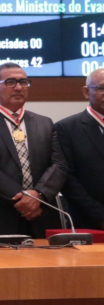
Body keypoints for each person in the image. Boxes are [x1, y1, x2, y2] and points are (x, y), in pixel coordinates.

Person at [0, 62, 67, 238]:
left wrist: (39, 196)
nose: (19, 87)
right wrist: (25, 199)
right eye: (10, 82)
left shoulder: (45, 123)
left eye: (24, 82)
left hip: (41, 216)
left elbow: (59, 164)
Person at [54, 68, 104, 230]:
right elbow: (68, 179)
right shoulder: (66, 128)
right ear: (85, 92)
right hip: (88, 222)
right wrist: (100, 215)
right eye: (102, 88)